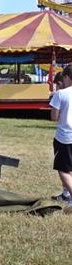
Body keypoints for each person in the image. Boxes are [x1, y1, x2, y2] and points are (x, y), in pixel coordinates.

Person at [49, 65, 72, 204]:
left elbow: (54, 117)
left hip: (65, 137)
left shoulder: (61, 94)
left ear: (67, 77)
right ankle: (66, 195)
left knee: (63, 170)